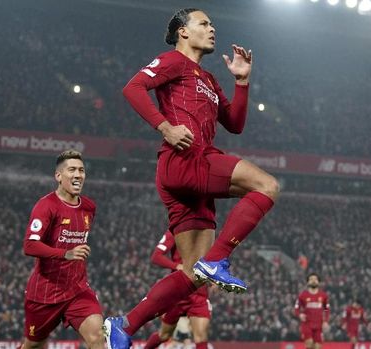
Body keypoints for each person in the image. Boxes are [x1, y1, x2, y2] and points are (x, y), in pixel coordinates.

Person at [106, 8, 279, 347]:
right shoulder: (173, 61)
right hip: (187, 160)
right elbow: (134, 87)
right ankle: (218, 260)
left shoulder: (209, 79)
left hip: (191, 175)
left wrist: (241, 81)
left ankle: (124, 326)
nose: (212, 29)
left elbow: (236, 123)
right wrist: (165, 126)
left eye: (213, 23)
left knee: (192, 273)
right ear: (183, 32)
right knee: (267, 185)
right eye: (204, 24)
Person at [21, 150, 104, 349]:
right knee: (33, 346)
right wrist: (65, 254)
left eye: (81, 170)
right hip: (45, 294)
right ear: (58, 176)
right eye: (72, 170)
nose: (78, 175)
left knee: (98, 337)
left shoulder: (89, 207)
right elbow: (29, 245)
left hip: (78, 289)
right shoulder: (46, 206)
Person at [144, 231, 211, 349]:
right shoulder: (175, 231)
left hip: (198, 293)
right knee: (164, 335)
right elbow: (156, 256)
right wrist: (177, 266)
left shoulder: (206, 230)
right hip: (178, 293)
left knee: (201, 337)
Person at [294, 273, 330, 349]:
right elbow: (296, 308)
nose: (313, 281)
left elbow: (327, 309)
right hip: (307, 324)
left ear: (318, 282)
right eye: (311, 279)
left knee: (317, 347)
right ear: (308, 282)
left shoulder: (324, 296)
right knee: (309, 343)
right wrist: (299, 315)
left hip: (319, 325)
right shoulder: (302, 295)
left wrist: (326, 321)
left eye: (315, 279)